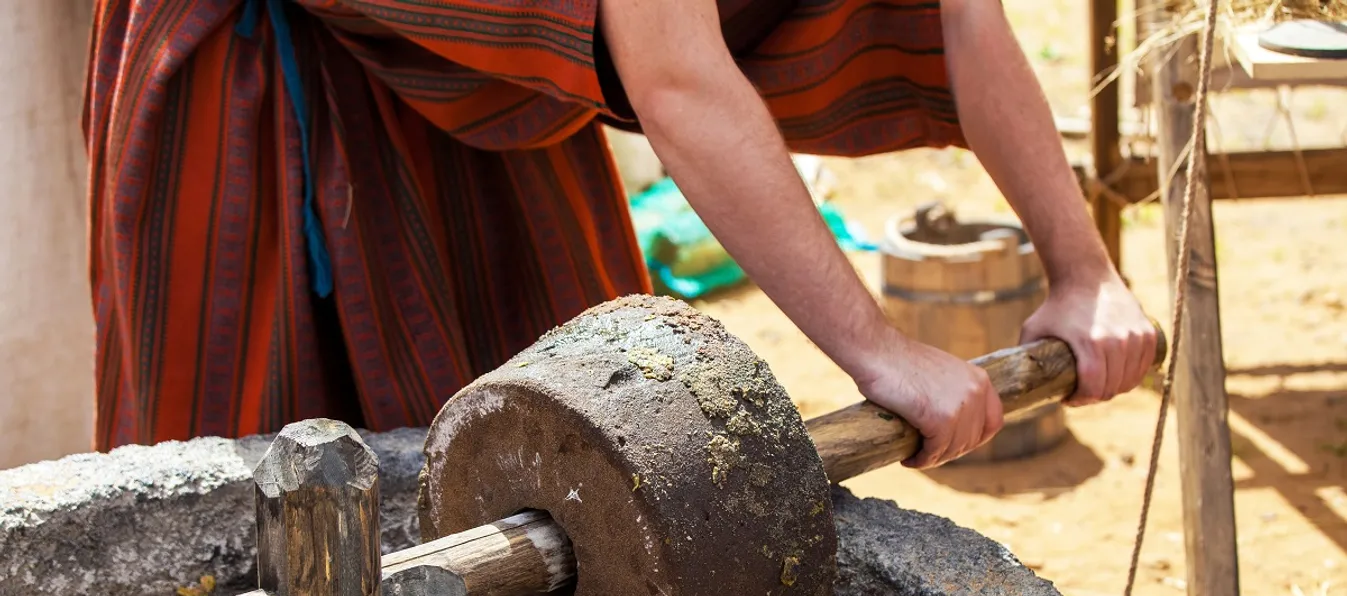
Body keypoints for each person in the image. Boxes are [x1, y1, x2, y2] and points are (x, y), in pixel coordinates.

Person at [84, 0, 1157, 469]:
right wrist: (878, 351)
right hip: (276, 90)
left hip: (501, 87)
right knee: (273, 522)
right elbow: (679, 70)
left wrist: (1084, 268)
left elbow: (964, 14)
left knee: (584, 449)